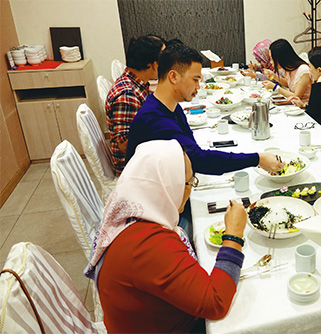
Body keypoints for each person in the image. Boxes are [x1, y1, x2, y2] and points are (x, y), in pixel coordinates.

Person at [84, 139, 247, 332]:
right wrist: (234, 235)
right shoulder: (149, 244)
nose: (190, 188)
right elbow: (215, 302)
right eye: (187, 182)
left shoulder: (128, 217)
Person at [126, 43, 283, 175]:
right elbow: (198, 160)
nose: (198, 87)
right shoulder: (153, 119)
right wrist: (257, 159)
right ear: (173, 77)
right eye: (195, 80)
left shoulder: (171, 106)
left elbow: (193, 151)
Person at [106, 35, 165, 175]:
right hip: (135, 169)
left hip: (143, 158)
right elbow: (126, 145)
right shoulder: (127, 96)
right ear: (154, 64)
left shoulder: (137, 83)